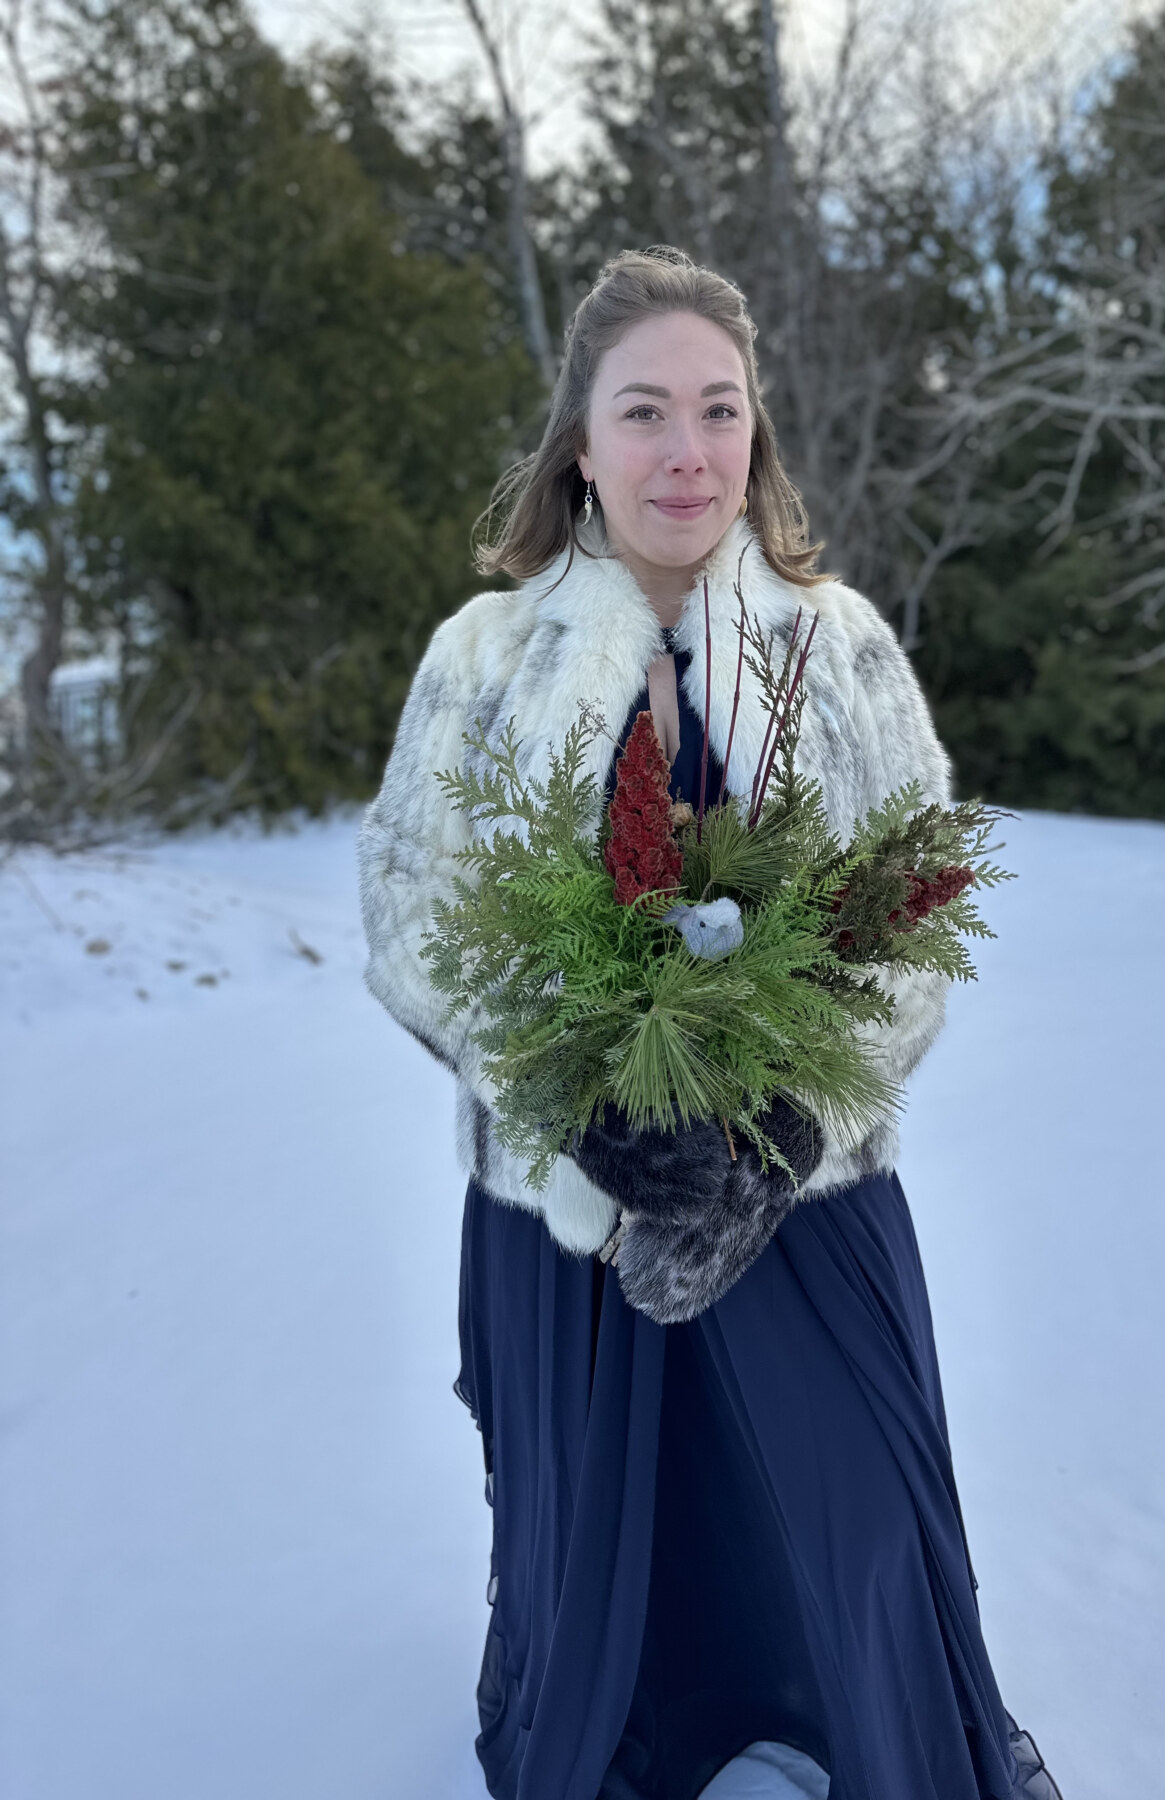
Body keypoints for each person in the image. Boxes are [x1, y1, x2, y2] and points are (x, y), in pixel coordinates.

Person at [357, 247, 1062, 1800]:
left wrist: (791, 1122)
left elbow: (916, 913)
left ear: (757, 435)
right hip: (574, 1210)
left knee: (855, 1519)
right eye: (645, 410)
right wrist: (588, 1111)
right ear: (581, 447)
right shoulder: (480, 658)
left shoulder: (840, 644)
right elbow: (416, 918)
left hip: (807, 1195)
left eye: (719, 410)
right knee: (609, 1532)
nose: (687, 450)